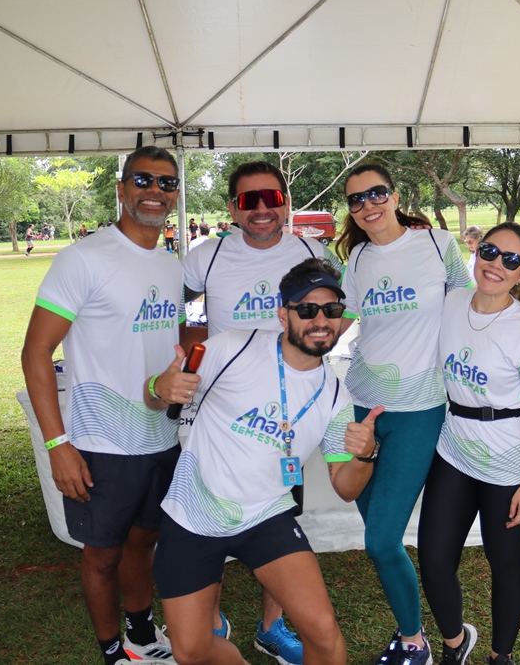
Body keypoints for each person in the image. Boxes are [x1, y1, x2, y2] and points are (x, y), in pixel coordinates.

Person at [21, 145, 196, 665]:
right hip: (101, 442)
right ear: (121, 189)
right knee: (102, 556)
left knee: (144, 543)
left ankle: (140, 633)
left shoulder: (170, 265)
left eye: (166, 183)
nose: (155, 191)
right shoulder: (83, 258)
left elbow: (170, 340)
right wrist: (58, 444)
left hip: (160, 437)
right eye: (143, 180)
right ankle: (111, 650)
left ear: (175, 195)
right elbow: (35, 352)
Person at [155, 258, 375, 665]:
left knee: (324, 635)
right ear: (283, 314)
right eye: (307, 309)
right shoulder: (232, 348)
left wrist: (365, 456)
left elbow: (346, 488)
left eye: (331, 309)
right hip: (194, 511)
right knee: (191, 650)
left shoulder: (335, 396)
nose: (321, 320)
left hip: (266, 516)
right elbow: (160, 395)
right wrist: (158, 386)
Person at [180, 160, 340, 665]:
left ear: (286, 203)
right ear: (233, 209)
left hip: (288, 417)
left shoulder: (313, 252)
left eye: (271, 197)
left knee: (280, 514)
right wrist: (188, 352)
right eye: (249, 200)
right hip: (222, 419)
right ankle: (211, 618)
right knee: (210, 514)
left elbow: (342, 308)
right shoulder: (205, 256)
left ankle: (272, 627)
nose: (262, 209)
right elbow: (168, 306)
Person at [336, 163, 472, 665]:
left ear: (394, 197)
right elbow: (341, 320)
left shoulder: (438, 244)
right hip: (362, 406)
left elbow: (475, 301)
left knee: (380, 539)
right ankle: (420, 633)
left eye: (377, 193)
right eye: (356, 199)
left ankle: (416, 642)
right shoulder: (357, 259)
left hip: (420, 408)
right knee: (381, 536)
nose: (368, 205)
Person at [419, 222, 520, 665]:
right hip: (455, 447)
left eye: (512, 260)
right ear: (477, 251)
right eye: (491, 252)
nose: (497, 264)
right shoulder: (452, 302)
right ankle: (455, 643)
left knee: (505, 563)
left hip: (509, 462)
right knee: (434, 559)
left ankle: (501, 656)